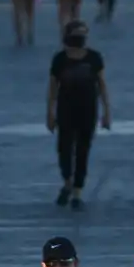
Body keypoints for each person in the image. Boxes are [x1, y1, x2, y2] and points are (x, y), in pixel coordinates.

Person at [47, 20, 112, 209]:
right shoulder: (59, 59)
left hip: (87, 110)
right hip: (65, 110)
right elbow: (52, 88)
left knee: (83, 150)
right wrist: (50, 113)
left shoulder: (94, 58)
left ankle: (77, 190)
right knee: (64, 149)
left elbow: (102, 85)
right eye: (77, 34)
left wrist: (106, 111)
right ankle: (67, 180)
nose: (80, 38)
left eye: (83, 34)